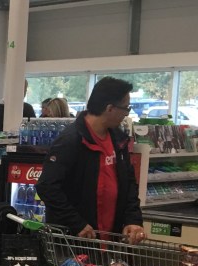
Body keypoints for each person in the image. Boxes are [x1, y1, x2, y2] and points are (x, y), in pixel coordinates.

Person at [35, 76, 145, 244]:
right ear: (110, 108)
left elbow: (129, 183)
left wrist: (133, 220)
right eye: (125, 108)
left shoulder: (119, 140)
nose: (126, 113)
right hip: (76, 239)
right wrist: (76, 223)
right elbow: (47, 187)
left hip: (111, 238)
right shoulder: (70, 141)